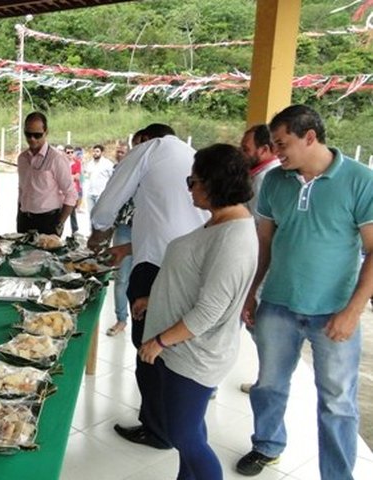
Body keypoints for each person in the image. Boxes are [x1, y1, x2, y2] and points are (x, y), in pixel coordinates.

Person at [235, 105, 373, 479]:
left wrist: (352, 312)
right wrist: (251, 293)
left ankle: (338, 474)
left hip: (334, 310)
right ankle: (267, 446)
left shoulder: (360, 180)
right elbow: (263, 244)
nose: (276, 151)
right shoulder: (276, 182)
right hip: (277, 303)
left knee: (338, 402)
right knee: (268, 385)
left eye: (282, 143)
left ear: (309, 136)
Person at [138, 144, 257, 480]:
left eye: (193, 182)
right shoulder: (218, 223)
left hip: (192, 355)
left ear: (214, 184)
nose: (189, 188)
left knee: (184, 437)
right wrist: (156, 299)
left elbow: (209, 311)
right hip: (182, 350)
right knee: (189, 431)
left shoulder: (234, 237)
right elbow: (193, 278)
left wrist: (160, 341)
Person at [88, 123, 208, 450]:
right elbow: (164, 217)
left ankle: (156, 429)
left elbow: (106, 207)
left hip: (155, 269)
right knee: (172, 347)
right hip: (189, 265)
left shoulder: (149, 150)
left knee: (148, 348)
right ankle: (174, 421)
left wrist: (97, 234)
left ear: (143, 140)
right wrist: (128, 248)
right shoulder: (191, 154)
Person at [237, 123, 281, 394]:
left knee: (256, 326)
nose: (242, 153)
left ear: (265, 150)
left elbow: (259, 229)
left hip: (257, 265)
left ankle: (267, 382)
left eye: (246, 149)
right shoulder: (257, 175)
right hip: (249, 261)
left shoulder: (266, 179)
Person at [16, 112, 77, 235]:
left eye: (37, 135)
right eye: (28, 134)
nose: (32, 139)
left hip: (48, 221)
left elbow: (71, 194)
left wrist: (59, 224)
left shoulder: (56, 158)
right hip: (24, 219)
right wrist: (19, 215)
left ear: (46, 132)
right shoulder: (22, 158)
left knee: (46, 255)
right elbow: (22, 189)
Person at [105, 134, 140, 337]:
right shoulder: (119, 171)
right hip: (124, 229)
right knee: (121, 277)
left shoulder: (151, 172)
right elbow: (111, 203)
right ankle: (121, 319)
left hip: (146, 231)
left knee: (144, 278)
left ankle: (141, 319)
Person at [84, 143, 113, 216]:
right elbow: (86, 177)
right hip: (90, 193)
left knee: (99, 215)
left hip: (101, 193)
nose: (95, 153)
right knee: (91, 215)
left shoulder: (108, 164)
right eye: (94, 151)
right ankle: (91, 227)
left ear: (102, 153)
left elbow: (112, 178)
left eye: (97, 151)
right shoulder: (90, 164)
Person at [65, 145, 83, 234]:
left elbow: (78, 177)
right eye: (68, 152)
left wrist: (69, 177)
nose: (70, 154)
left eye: (72, 152)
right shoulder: (62, 163)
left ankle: (74, 230)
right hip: (63, 191)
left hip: (74, 190)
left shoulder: (77, 163)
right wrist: (72, 176)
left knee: (72, 211)